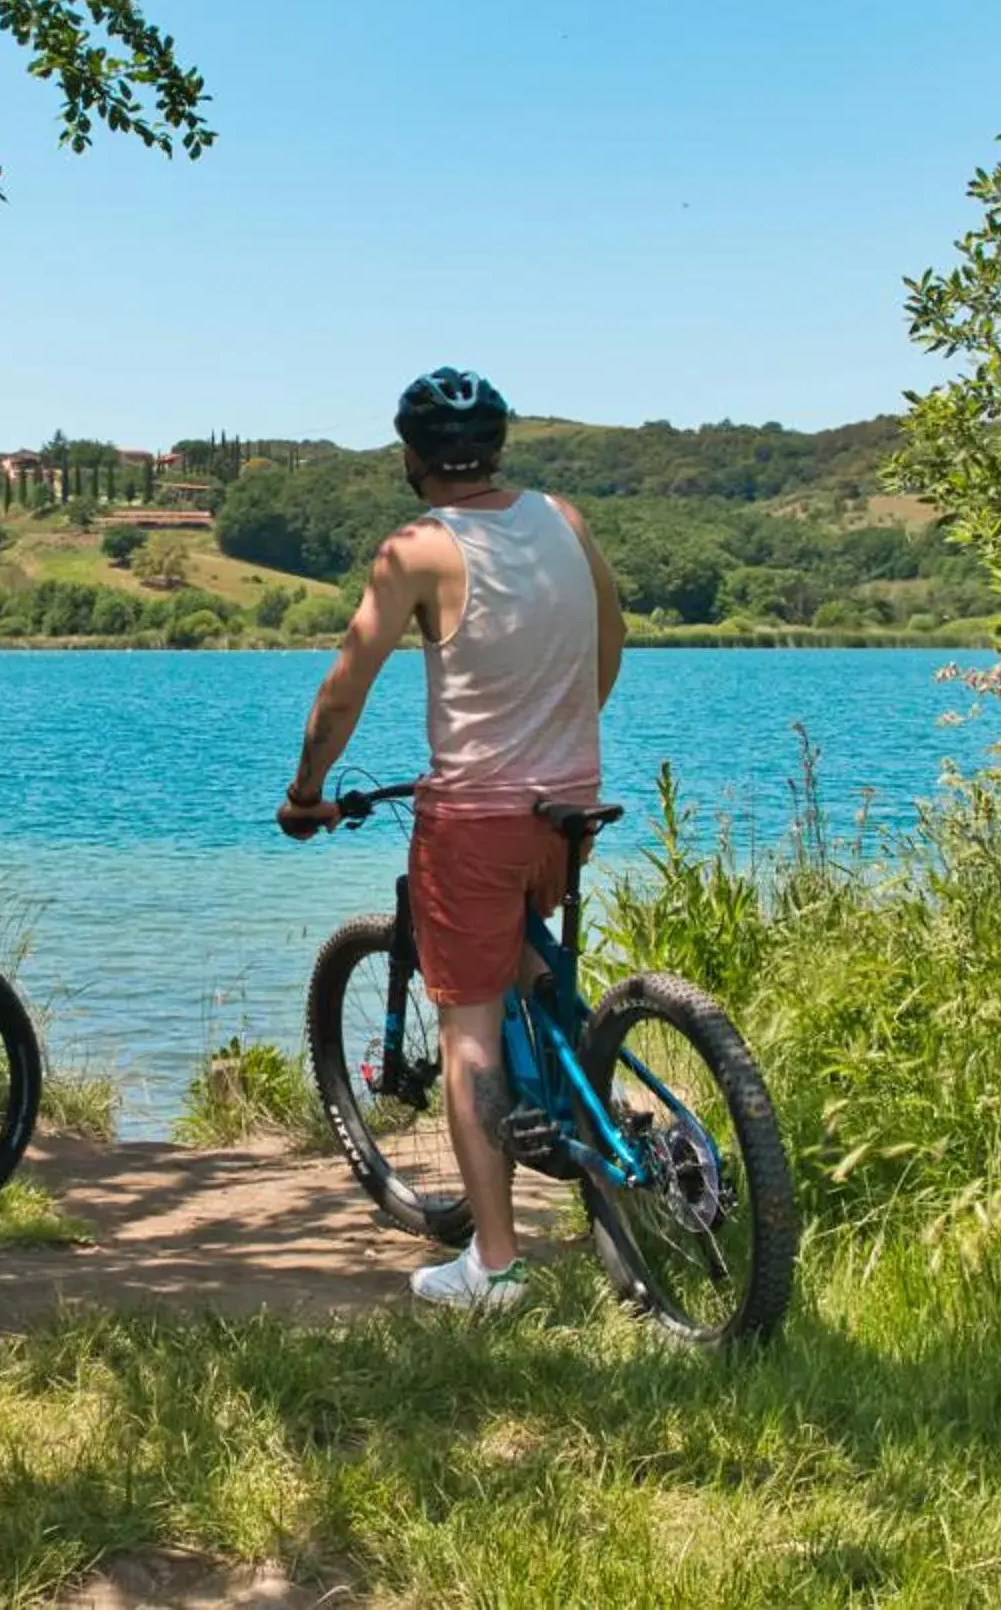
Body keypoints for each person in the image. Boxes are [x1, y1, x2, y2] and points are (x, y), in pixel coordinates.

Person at [276, 369, 624, 1310]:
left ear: (411, 458)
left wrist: (307, 791)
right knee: (522, 963)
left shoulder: (416, 550)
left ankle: (496, 1268)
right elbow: (612, 637)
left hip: (475, 816)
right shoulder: (564, 517)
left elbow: (345, 685)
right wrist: (561, 736)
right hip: (570, 801)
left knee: (467, 1026)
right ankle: (594, 1108)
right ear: (500, 449)